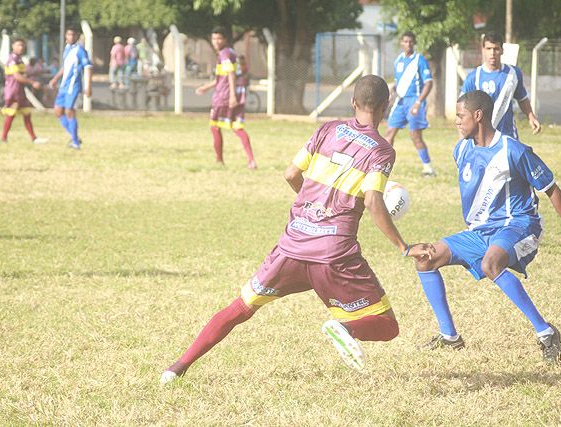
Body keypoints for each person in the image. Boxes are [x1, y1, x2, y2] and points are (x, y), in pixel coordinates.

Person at [160, 75, 433, 384]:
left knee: (241, 306)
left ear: (353, 102)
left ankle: (177, 367)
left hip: (293, 244)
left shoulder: (327, 129)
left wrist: (311, 205)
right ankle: (345, 328)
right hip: (334, 254)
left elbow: (291, 174)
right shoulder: (382, 151)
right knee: (387, 325)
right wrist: (404, 246)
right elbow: (372, 200)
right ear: (386, 106)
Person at [414, 90, 561, 363]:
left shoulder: (514, 150)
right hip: (480, 231)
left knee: (491, 264)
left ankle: (546, 333)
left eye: (461, 116)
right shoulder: (461, 148)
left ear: (478, 116)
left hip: (519, 224)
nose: (456, 122)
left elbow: (551, 188)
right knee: (425, 259)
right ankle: (450, 336)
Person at [196, 26, 257, 169]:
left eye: (219, 38)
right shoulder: (230, 53)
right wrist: (206, 87)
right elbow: (222, 78)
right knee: (237, 127)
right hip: (233, 94)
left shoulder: (224, 54)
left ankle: (219, 160)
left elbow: (230, 75)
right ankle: (251, 160)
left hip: (224, 96)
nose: (216, 41)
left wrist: (232, 96)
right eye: (214, 38)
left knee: (214, 127)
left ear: (225, 40)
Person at [461, 32, 541, 139]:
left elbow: (522, 98)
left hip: (507, 135)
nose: (492, 53)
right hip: (482, 137)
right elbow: (462, 108)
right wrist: (462, 139)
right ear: (483, 50)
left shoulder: (513, 73)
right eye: (488, 48)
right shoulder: (474, 77)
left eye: (496, 49)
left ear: (502, 50)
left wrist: (531, 116)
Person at [384, 31, 436, 177]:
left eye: (411, 42)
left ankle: (428, 168)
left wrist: (419, 101)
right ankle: (382, 166)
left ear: (414, 43)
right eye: (405, 41)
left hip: (414, 101)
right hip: (400, 102)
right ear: (401, 43)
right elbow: (398, 83)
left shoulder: (419, 60)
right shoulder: (398, 60)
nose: (408, 44)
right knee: (389, 132)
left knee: (415, 135)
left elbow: (428, 83)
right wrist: (391, 91)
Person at [49, 27, 93, 150]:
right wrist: (55, 79)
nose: (71, 37)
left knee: (69, 111)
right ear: (65, 36)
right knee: (58, 111)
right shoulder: (67, 49)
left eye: (73, 35)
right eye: (69, 34)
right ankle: (75, 137)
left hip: (73, 86)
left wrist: (88, 86)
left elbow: (88, 67)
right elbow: (65, 67)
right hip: (64, 86)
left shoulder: (80, 50)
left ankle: (75, 143)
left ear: (78, 36)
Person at [0, 38, 47, 145]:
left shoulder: (19, 59)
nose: (21, 47)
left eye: (22, 45)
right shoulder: (12, 59)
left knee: (27, 114)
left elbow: (23, 74)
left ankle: (34, 138)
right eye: (18, 45)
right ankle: (3, 138)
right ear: (13, 46)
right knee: (11, 114)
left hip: (19, 91)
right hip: (13, 91)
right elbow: (16, 76)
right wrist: (32, 82)